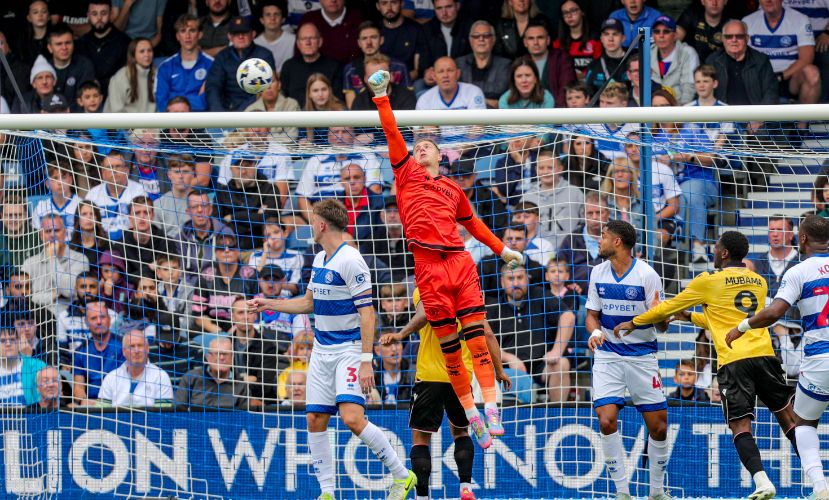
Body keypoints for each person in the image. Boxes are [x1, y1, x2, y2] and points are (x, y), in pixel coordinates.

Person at [371, 69, 523, 447]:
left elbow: (474, 225)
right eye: (417, 146)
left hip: (459, 263)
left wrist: (502, 250)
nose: (421, 148)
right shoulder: (406, 176)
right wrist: (382, 97)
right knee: (451, 349)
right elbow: (392, 133)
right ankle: (471, 415)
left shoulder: (453, 189)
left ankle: (491, 409)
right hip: (428, 269)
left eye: (428, 146)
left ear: (442, 156)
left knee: (476, 338)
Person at [248, 200, 417, 499]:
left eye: (312, 221)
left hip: (348, 350)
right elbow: (308, 303)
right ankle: (327, 492)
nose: (310, 227)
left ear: (322, 224)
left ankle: (402, 475)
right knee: (315, 419)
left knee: (352, 418)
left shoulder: (351, 260)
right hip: (322, 350)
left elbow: (368, 313)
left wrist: (366, 361)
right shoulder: (319, 259)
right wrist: (268, 303)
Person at [617, 230, 800, 500]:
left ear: (724, 253)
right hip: (765, 356)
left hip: (734, 361)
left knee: (740, 426)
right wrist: (691, 317)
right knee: (789, 418)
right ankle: (820, 480)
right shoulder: (759, 281)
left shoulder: (708, 280)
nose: (713, 251)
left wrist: (634, 322)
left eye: (716, 247)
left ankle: (762, 482)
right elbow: (727, 320)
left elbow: (666, 308)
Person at [724, 215, 829, 499]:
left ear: (802, 238)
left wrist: (742, 326)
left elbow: (774, 312)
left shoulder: (798, 272)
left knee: (804, 423)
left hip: (820, 358)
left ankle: (821, 488)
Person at [379, 286, 509, 500]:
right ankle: (465, 487)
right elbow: (486, 333)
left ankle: (422, 497)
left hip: (429, 375)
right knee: (461, 433)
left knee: (421, 439)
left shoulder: (425, 288)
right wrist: (500, 370)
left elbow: (423, 315)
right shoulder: (467, 291)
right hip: (460, 377)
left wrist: (401, 334)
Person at [584, 220, 670, 500]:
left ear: (617, 242)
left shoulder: (647, 275)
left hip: (642, 356)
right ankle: (622, 492)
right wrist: (595, 331)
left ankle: (656, 492)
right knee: (606, 420)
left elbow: (662, 327)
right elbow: (592, 315)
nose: (599, 241)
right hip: (608, 355)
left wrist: (660, 315)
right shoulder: (597, 272)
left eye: (603, 236)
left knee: (658, 426)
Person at [744, 0, 820, 131]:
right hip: (760, 79)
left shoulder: (800, 19)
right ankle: (750, 124)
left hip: (788, 78)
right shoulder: (748, 21)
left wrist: (780, 76)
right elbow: (744, 58)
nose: (768, 1)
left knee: (812, 73)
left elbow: (807, 58)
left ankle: (801, 128)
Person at [21, 215, 90, 313]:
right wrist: (55, 295)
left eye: (56, 230)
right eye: (48, 231)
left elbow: (68, 291)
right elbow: (25, 297)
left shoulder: (80, 259)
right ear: (41, 235)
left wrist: (52, 259)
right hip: (38, 319)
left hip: (70, 318)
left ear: (65, 233)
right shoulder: (29, 263)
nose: (52, 235)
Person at [205, 16, 276, 112]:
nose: (240, 37)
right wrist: (218, 111)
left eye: (245, 33)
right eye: (236, 33)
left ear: (253, 34)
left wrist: (241, 113)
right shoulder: (222, 56)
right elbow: (213, 86)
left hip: (254, 111)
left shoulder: (264, 55)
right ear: (229, 36)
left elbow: (264, 89)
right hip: (225, 111)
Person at [520, 149, 584, 251]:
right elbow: (519, 227)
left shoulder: (575, 193)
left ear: (560, 169)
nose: (546, 172)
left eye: (550, 167)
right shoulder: (528, 197)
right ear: (536, 170)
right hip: (535, 253)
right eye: (541, 168)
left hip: (569, 252)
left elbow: (584, 224)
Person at [706, 19, 779, 108]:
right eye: (729, 36)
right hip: (722, 114)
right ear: (723, 39)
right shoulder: (712, 61)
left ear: (747, 38)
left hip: (754, 114)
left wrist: (759, 115)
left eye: (739, 36)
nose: (734, 40)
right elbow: (704, 92)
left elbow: (771, 93)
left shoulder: (761, 60)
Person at [343, 23, 411, 109]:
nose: (369, 42)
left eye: (373, 37)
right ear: (359, 43)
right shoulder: (350, 69)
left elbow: (406, 97)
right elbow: (352, 107)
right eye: (364, 38)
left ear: (381, 40)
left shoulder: (399, 67)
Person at [99, 329, 173, 407]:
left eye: (140, 346)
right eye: (132, 346)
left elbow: (164, 413)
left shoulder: (161, 377)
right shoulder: (111, 378)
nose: (136, 351)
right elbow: (101, 412)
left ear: (147, 349)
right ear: (124, 351)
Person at [155, 14, 214, 112]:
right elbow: (161, 104)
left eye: (192, 31)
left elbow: (208, 102)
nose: (187, 36)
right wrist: (197, 99)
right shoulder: (165, 67)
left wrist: (173, 98)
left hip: (200, 120)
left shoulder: (212, 65)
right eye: (183, 31)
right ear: (177, 36)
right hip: (172, 120)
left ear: (200, 34)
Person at [72, 301, 125, 404]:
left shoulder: (123, 346)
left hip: (118, 403)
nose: (99, 322)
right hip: (91, 405)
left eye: (102, 317)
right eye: (93, 318)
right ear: (87, 323)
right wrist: (83, 401)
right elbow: (78, 388)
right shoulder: (80, 352)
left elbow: (126, 384)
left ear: (109, 320)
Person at [75, 0, 131, 95]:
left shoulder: (125, 43)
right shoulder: (81, 44)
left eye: (103, 13)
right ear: (88, 15)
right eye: (94, 14)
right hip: (88, 97)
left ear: (111, 14)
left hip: (116, 96)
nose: (99, 18)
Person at [557, 191, 609, 294]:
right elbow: (559, 268)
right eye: (590, 213)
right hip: (578, 297)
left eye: (599, 212)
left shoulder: (618, 238)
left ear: (608, 213)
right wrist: (568, 285)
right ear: (583, 215)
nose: (594, 217)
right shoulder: (571, 240)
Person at [175, 336, 249, 408]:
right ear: (208, 357)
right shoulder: (191, 378)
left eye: (225, 354)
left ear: (232, 358)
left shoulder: (240, 385)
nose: (221, 357)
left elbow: (244, 415)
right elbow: (178, 409)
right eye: (217, 353)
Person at [280, 23, 342, 104]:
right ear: (298, 44)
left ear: (320, 42)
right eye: (303, 39)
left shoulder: (334, 67)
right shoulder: (288, 66)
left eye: (312, 38)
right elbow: (282, 98)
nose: (308, 42)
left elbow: (337, 101)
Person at [455, 20, 511, 109]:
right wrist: (485, 100)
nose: (481, 39)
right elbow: (455, 90)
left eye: (486, 36)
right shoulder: (459, 63)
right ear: (470, 40)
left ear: (493, 40)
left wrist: (468, 91)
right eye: (476, 36)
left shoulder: (505, 64)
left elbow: (500, 89)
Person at [521, 22, 575, 106]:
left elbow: (566, 89)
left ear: (548, 40)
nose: (536, 42)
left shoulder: (561, 58)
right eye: (531, 38)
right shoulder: (521, 63)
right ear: (525, 42)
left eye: (540, 38)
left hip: (556, 110)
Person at [649, 15, 700, 105]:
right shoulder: (647, 53)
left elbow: (689, 87)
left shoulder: (687, 53)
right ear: (653, 35)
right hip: (653, 108)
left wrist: (680, 111)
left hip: (680, 108)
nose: (661, 36)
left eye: (666, 31)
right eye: (657, 32)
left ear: (675, 35)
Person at [378, 0, 431, 82]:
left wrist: (399, 81)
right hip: (379, 82)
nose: (389, 7)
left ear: (402, 4)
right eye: (384, 3)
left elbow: (419, 70)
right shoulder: (374, 30)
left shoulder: (416, 29)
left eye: (394, 2)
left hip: (409, 81)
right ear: (378, 6)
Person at [46, 22, 96, 108]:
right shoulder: (43, 69)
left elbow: (85, 101)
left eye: (68, 43)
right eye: (59, 44)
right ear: (50, 48)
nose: (64, 48)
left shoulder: (84, 65)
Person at [298, 0, 363, 64]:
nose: (333, 0)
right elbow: (299, 57)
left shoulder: (358, 18)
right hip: (316, 70)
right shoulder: (309, 19)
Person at [0, 322, 46, 406]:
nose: (8, 344)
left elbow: (45, 403)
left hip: (31, 414)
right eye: (2, 341)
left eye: (12, 339)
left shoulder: (38, 367)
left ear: (19, 342)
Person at [104, 37, 156, 113]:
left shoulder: (158, 74)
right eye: (142, 51)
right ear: (133, 55)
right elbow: (116, 111)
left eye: (149, 50)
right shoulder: (121, 77)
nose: (147, 54)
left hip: (152, 120)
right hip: (123, 120)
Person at [554, 0, 601, 78]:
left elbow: (599, 68)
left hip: (590, 82)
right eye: (565, 13)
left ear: (582, 12)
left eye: (573, 11)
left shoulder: (595, 40)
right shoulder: (558, 43)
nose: (569, 15)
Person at [584, 18, 628, 96]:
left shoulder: (633, 62)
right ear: (601, 39)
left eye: (615, 34)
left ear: (623, 38)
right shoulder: (593, 66)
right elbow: (588, 94)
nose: (610, 39)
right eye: (606, 34)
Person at [254, 0, 295, 73]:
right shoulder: (254, 44)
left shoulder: (294, 41)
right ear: (261, 20)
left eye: (276, 14)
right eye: (268, 14)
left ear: (283, 19)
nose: (272, 18)